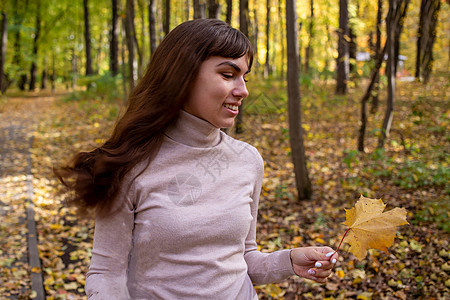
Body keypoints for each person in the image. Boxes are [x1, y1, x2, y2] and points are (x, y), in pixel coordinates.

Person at [57, 19, 338, 299]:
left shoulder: (247, 160)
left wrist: (288, 260)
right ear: (183, 75)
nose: (243, 90)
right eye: (228, 75)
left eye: (245, 77)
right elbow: (107, 274)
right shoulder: (129, 165)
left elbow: (241, 260)